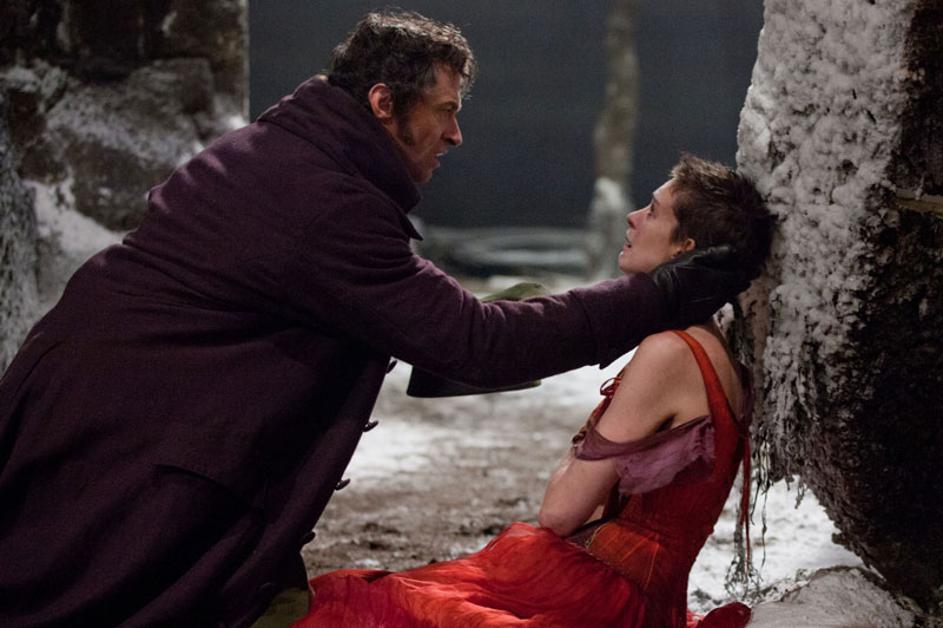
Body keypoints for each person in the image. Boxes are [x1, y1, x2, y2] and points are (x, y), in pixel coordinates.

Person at [0, 11, 747, 628]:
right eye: (445, 111)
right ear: (385, 103)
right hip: (119, 446)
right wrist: (660, 295)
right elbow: (476, 342)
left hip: (100, 415)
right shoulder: (318, 198)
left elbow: (421, 327)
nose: (456, 134)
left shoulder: (289, 156)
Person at [295, 153, 773, 628]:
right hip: (642, 598)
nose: (632, 217)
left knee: (351, 604)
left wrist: (577, 453)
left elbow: (560, 512)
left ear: (684, 248)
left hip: (600, 600)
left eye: (652, 212)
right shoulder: (719, 352)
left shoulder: (669, 353)